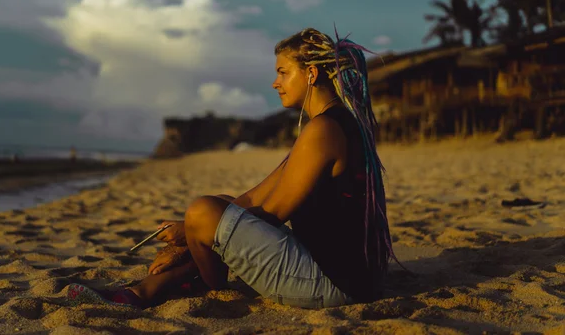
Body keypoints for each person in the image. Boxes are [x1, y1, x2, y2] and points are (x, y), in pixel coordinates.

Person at [67, 27, 398, 309]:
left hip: (332, 285)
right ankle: (156, 286)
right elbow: (259, 194)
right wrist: (191, 234)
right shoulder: (331, 123)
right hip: (344, 276)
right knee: (221, 205)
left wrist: (191, 235)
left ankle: (177, 286)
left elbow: (273, 211)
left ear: (311, 73)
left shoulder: (323, 130)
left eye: (283, 72)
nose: (275, 82)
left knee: (203, 211)